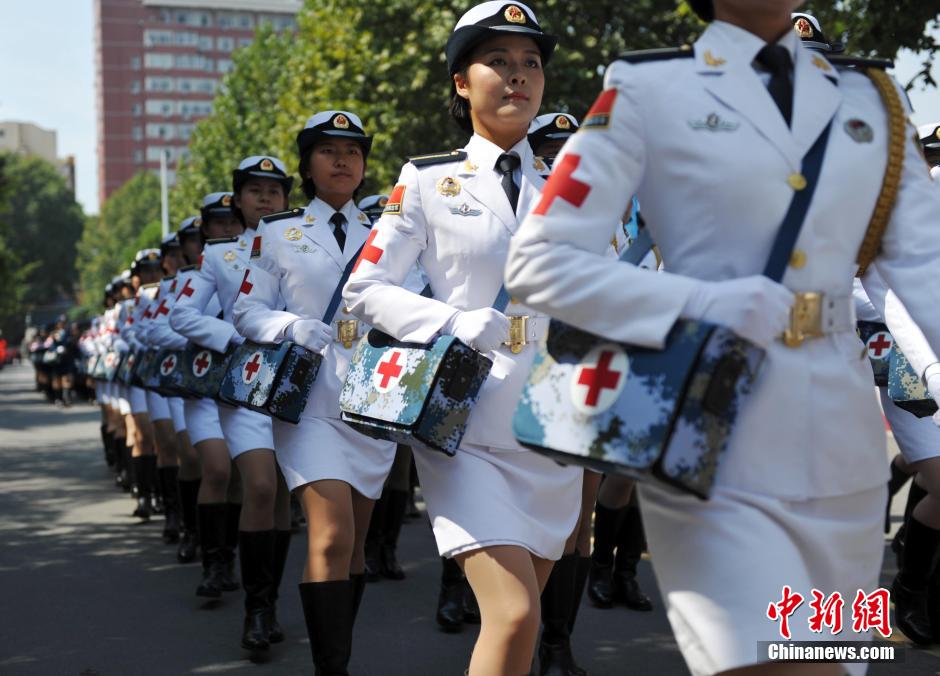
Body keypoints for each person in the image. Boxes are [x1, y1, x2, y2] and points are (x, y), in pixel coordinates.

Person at [505, 0, 940, 674]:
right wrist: (704, 302)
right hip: (707, 440)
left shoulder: (872, 97)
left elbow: (927, 267)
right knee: (773, 662)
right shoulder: (646, 90)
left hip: (842, 451)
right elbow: (540, 263)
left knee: (833, 659)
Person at [342, 5, 588, 674]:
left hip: (552, 428)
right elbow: (364, 291)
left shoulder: (570, 191)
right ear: (460, 81)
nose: (518, 77)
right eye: (499, 62)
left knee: (517, 630)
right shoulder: (425, 180)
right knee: (513, 617)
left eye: (531, 63)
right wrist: (452, 321)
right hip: (467, 424)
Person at [233, 111, 394, 673]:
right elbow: (246, 312)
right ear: (307, 165)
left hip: (376, 402)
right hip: (309, 404)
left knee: (354, 547)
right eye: (328, 151)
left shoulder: (392, 232)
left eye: (353, 151)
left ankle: (336, 655)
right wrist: (289, 326)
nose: (343, 160)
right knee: (330, 537)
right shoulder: (277, 233)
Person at [170, 158, 294, 651]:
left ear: (286, 198)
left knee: (282, 496)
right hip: (241, 388)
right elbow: (182, 314)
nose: (265, 199)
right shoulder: (220, 257)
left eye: (274, 191)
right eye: (254, 190)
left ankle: (271, 600)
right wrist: (232, 339)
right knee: (260, 486)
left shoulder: (309, 247)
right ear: (238, 200)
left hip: (294, 388)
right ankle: (256, 609)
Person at [144, 217, 208, 564]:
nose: (199, 245)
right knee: (190, 456)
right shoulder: (176, 285)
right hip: (186, 378)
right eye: (192, 241)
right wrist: (201, 337)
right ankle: (186, 525)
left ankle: (219, 546)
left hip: (231, 381)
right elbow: (154, 331)